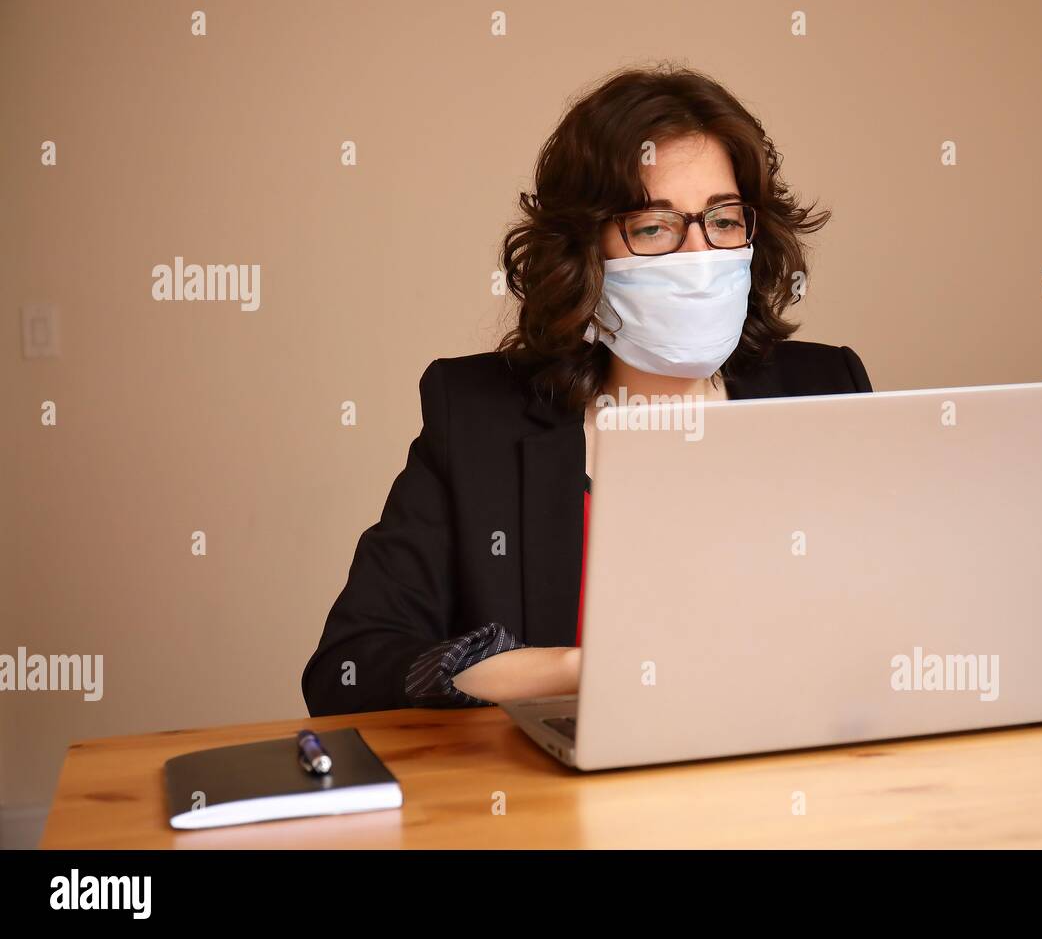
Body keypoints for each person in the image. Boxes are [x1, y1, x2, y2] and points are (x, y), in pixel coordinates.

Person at [302, 63, 872, 716]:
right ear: (584, 254)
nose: (698, 256)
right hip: (566, 806)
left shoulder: (827, 389)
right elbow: (348, 670)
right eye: (654, 227)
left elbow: (896, 628)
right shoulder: (478, 420)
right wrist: (580, 670)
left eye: (723, 220)